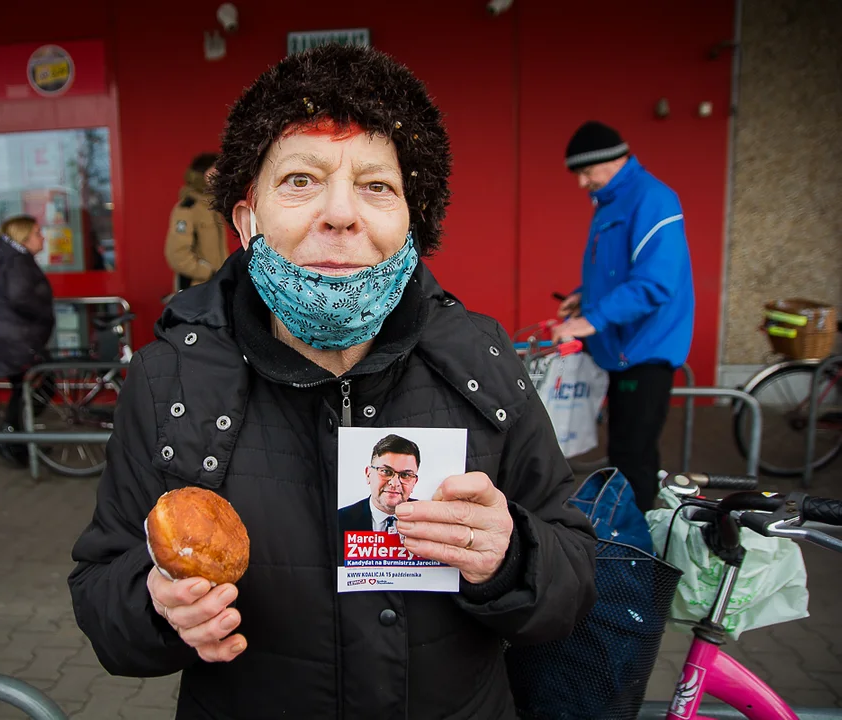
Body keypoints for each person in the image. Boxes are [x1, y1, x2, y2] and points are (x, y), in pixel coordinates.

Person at [69, 45, 596, 720]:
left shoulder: (482, 363)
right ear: (246, 220)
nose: (340, 214)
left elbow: (576, 581)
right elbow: (102, 599)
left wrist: (513, 555)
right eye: (300, 180)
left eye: (376, 186)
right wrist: (156, 605)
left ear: (413, 222)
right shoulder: (168, 377)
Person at [553, 121, 695, 513]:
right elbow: (618, 274)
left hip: (645, 349)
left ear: (613, 160)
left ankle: (639, 549)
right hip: (620, 348)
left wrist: (592, 319)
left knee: (634, 456)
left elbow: (655, 282)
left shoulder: (654, 199)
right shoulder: (611, 202)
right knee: (622, 450)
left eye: (585, 172)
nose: (582, 183)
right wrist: (584, 300)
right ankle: (628, 534)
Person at [0, 216, 56, 466]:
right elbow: (19, 297)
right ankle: (11, 435)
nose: (42, 237)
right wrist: (44, 311)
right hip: (15, 337)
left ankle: (15, 437)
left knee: (24, 389)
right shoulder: (16, 261)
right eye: (37, 232)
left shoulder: (11, 259)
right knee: (36, 385)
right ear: (23, 237)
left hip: (13, 336)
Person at [164, 153, 227, 292]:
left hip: (215, 288)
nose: (218, 177)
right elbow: (177, 255)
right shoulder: (187, 208)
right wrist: (208, 272)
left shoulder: (212, 208)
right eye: (213, 172)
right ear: (199, 175)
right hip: (195, 290)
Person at [338, 434, 420, 533]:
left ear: (414, 482)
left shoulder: (427, 521)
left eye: (405, 475)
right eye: (386, 471)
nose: (394, 483)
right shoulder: (339, 520)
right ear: (368, 474)